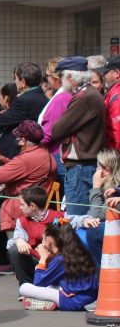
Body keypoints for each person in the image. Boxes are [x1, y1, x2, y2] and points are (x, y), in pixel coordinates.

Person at [0, 121, 56, 280]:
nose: (17, 141)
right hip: (34, 204)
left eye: (19, 138)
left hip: (20, 207)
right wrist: (1, 159)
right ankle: (2, 261)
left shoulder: (26, 158)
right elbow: (25, 171)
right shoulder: (45, 154)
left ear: (24, 140)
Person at [49, 59, 107, 217]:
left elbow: (57, 130)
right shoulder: (89, 94)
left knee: (79, 219)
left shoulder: (83, 97)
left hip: (81, 166)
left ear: (70, 77)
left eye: (61, 76)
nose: (60, 80)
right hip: (85, 164)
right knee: (85, 218)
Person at [19, 221, 98, 311]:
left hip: (73, 300)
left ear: (49, 240)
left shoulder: (60, 259)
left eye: (43, 238)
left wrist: (43, 259)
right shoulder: (76, 251)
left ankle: (47, 302)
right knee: (50, 285)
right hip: (88, 297)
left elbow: (38, 283)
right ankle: (45, 300)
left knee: (24, 288)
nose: (42, 242)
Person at [7, 187, 64, 287]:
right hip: (34, 258)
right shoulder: (22, 221)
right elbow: (13, 240)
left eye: (22, 204)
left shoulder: (55, 218)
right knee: (14, 249)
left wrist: (85, 220)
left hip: (52, 259)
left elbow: (73, 221)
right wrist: (19, 240)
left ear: (32, 206)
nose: (20, 207)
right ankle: (25, 285)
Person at [0, 63, 48, 158]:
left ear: (23, 82)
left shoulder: (24, 100)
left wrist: (0, 114)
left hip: (17, 151)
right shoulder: (43, 97)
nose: (15, 82)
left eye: (15, 79)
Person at [103, 56, 120, 150]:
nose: (104, 76)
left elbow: (117, 131)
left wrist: (114, 157)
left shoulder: (116, 95)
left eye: (106, 72)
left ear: (117, 73)